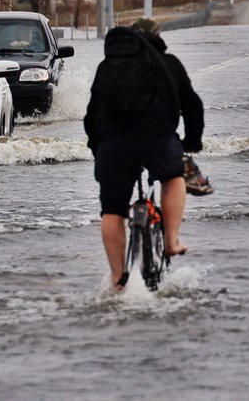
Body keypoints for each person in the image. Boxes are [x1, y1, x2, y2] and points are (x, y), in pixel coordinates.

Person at [84, 18, 204, 290]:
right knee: (173, 176)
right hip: (158, 139)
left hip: (112, 146)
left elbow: (91, 116)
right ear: (157, 37)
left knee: (112, 211)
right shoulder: (169, 64)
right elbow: (193, 106)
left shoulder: (107, 67)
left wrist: (98, 149)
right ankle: (172, 241)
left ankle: (117, 279)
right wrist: (192, 141)